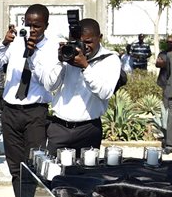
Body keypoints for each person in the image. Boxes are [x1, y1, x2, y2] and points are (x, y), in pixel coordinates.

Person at [0, 5, 53, 197]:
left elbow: (50, 81)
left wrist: (33, 55)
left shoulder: (52, 48)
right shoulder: (14, 43)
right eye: (28, 24)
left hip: (36, 112)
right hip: (11, 111)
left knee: (34, 169)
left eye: (37, 25)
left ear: (46, 25)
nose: (32, 29)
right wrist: (4, 43)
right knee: (15, 169)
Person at [41, 18, 120, 151]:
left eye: (88, 42)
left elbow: (105, 93)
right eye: (80, 42)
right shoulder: (70, 54)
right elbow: (50, 86)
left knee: (85, 171)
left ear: (100, 37)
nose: (84, 47)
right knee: (53, 170)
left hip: (88, 130)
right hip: (59, 128)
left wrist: (85, 67)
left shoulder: (110, 60)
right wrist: (60, 61)